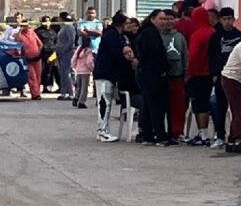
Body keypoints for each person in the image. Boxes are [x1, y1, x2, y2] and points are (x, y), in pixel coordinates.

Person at [207, 7, 241, 149]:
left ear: (233, 19)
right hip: (221, 75)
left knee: (237, 109)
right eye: (224, 19)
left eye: (230, 19)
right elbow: (210, 56)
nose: (228, 22)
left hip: (237, 76)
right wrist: (213, 74)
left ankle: (237, 136)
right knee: (219, 107)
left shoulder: (240, 36)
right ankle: (220, 135)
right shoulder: (216, 36)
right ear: (220, 20)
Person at [134, 10, 170, 145]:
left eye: (165, 19)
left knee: (148, 105)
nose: (164, 22)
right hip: (152, 74)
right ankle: (160, 136)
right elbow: (154, 55)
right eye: (161, 19)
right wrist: (163, 69)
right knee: (156, 106)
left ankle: (147, 135)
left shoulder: (146, 32)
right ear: (153, 19)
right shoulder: (150, 33)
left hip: (146, 73)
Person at [92, 13, 128, 142]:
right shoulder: (112, 36)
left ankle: (103, 130)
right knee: (104, 103)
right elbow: (115, 54)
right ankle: (102, 131)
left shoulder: (114, 35)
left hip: (107, 73)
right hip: (105, 73)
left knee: (106, 103)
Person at [185, 6, 216, 146]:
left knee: (199, 104)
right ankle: (205, 133)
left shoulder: (197, 34)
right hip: (211, 73)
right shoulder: (213, 31)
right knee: (206, 103)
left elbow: (193, 55)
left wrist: (188, 72)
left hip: (198, 73)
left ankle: (203, 135)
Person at [160, 9, 188, 144]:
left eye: (171, 19)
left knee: (177, 106)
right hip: (161, 77)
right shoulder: (157, 36)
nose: (168, 22)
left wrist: (186, 72)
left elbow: (185, 55)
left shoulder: (179, 37)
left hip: (177, 75)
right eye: (165, 19)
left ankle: (177, 132)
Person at [15, 20, 44, 100]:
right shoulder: (20, 34)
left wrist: (38, 51)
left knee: (38, 76)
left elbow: (40, 44)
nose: (25, 27)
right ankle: (35, 94)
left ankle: (37, 92)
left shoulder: (32, 32)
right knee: (32, 76)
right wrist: (20, 31)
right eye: (23, 25)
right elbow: (17, 40)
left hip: (37, 57)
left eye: (26, 25)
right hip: (27, 59)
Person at [56, 12, 77, 101]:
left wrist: (64, 49)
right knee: (63, 73)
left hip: (67, 53)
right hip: (61, 52)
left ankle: (71, 93)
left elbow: (71, 40)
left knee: (66, 72)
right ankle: (64, 92)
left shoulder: (69, 27)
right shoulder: (63, 27)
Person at [36, 16, 58, 93]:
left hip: (52, 54)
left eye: (48, 21)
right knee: (44, 70)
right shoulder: (38, 31)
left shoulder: (53, 31)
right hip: (42, 53)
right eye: (45, 21)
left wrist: (56, 52)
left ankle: (50, 86)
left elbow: (56, 41)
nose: (47, 23)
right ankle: (44, 86)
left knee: (52, 70)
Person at [71, 35, 95, 108]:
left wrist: (75, 67)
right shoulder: (88, 51)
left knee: (78, 87)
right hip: (85, 72)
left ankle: (76, 98)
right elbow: (89, 62)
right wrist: (92, 69)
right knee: (84, 88)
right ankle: (81, 102)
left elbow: (73, 59)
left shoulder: (79, 49)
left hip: (78, 71)